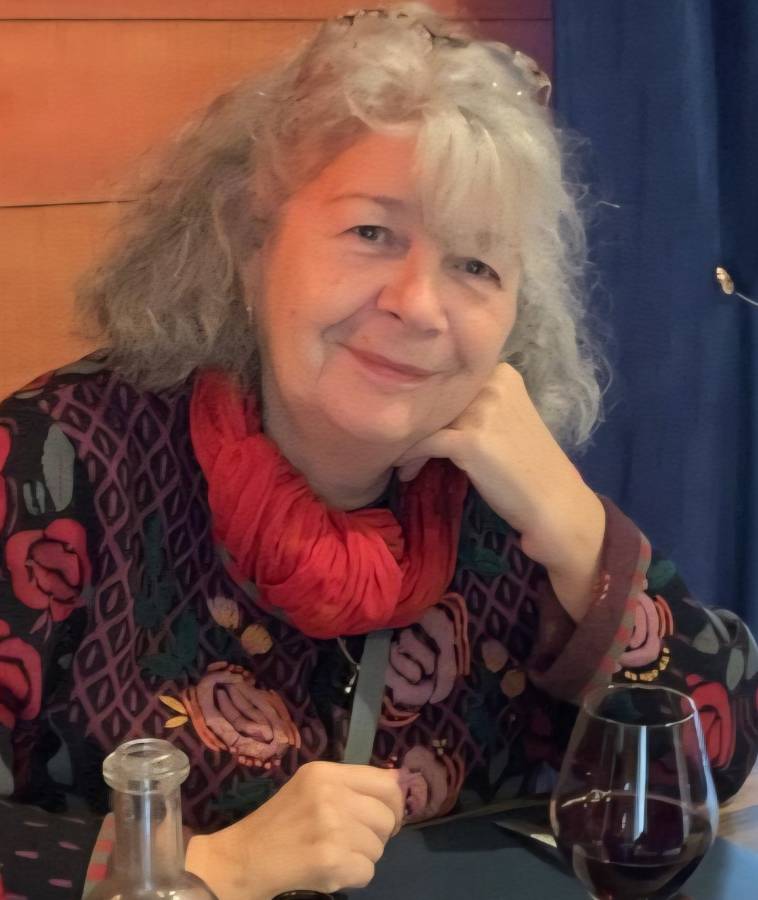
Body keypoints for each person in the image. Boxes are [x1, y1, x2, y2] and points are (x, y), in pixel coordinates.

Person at [1, 4, 757, 899]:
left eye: (476, 266)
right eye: (372, 233)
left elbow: (708, 765)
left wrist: (581, 531)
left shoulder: (499, 497)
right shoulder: (56, 465)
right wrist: (199, 869)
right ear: (251, 244)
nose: (419, 305)